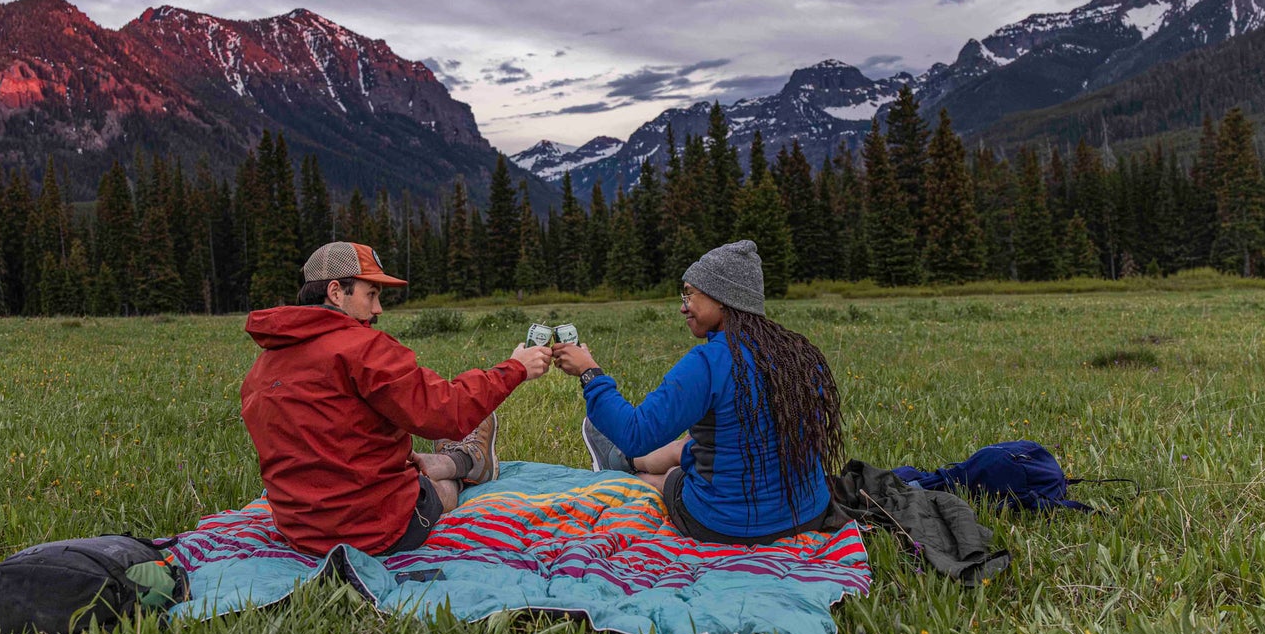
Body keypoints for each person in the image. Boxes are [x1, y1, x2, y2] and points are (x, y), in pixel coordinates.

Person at [240, 240, 553, 556]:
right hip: (375, 532)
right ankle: (467, 463)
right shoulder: (364, 349)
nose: (378, 309)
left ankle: (449, 460)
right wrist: (516, 369)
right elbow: (447, 411)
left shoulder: (261, 369)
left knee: (409, 461)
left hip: (301, 533)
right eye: (371, 295)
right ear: (336, 292)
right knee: (438, 491)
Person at [551, 239, 844, 544]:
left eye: (689, 294)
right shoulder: (798, 353)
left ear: (722, 298)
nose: (682, 306)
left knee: (670, 478)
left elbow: (636, 433)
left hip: (726, 524)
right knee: (691, 445)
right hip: (809, 514)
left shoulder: (708, 363)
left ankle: (626, 472)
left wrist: (590, 372)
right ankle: (620, 460)